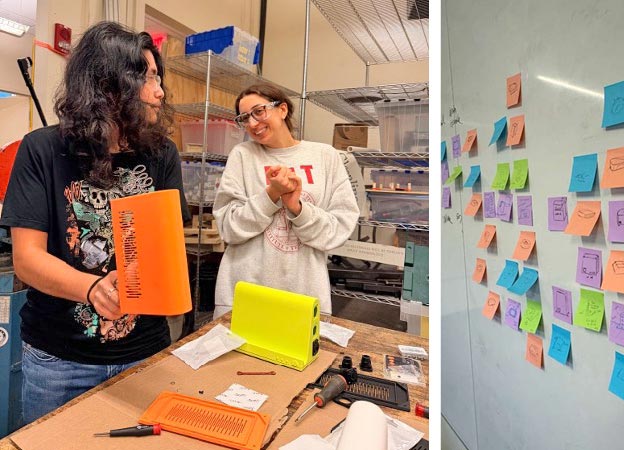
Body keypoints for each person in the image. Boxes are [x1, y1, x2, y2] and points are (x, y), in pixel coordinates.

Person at [0, 21, 189, 424]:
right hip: (60, 362)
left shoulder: (161, 154)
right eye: (148, 77)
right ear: (108, 84)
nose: (160, 92)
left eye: (159, 78)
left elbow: (166, 249)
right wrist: (91, 288)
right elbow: (27, 260)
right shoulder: (43, 149)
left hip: (145, 354)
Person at [212, 83, 359, 318]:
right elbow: (228, 228)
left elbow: (339, 229)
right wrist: (271, 194)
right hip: (245, 290)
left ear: (282, 109)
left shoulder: (325, 156)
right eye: (244, 118)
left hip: (303, 292)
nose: (251, 124)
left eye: (258, 112)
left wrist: (297, 208)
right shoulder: (242, 155)